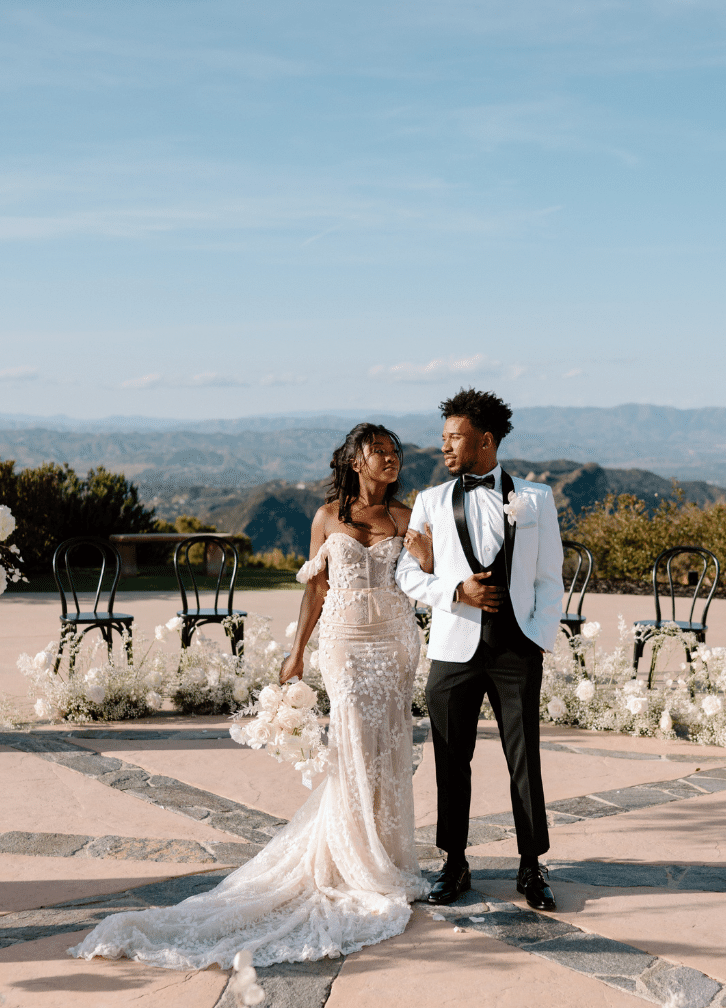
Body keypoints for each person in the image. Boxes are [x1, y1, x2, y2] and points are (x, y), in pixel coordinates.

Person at [69, 423, 429, 969]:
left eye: (394, 452)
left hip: (395, 643)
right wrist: (297, 652)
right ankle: (354, 859)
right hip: (345, 644)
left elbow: (428, 575)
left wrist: (425, 551)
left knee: (389, 748)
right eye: (378, 452)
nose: (390, 460)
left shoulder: (408, 517)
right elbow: (316, 588)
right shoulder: (327, 516)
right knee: (353, 743)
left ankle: (388, 853)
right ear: (355, 460)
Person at [395, 389, 564, 911]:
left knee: (524, 759)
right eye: (443, 436)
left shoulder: (534, 499)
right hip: (454, 647)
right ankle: (454, 862)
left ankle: (532, 865)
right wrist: (453, 590)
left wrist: (537, 637)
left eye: (455, 437)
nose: (444, 446)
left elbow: (549, 578)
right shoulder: (429, 502)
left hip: (517, 649)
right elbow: (405, 574)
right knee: (450, 758)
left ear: (485, 441)